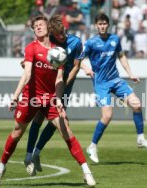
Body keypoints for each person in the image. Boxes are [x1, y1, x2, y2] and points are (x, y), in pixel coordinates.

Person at [0, 15, 96, 187]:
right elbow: (27, 74)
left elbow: (59, 79)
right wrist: (15, 96)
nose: (38, 27)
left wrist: (59, 99)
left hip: (49, 99)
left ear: (48, 27)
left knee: (66, 130)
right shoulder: (31, 48)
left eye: (41, 24)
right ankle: (1, 169)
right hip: (30, 98)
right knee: (17, 133)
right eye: (35, 26)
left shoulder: (58, 52)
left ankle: (86, 171)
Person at [79, 13, 147, 164]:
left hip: (116, 79)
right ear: (96, 25)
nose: (102, 26)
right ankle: (92, 146)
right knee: (108, 116)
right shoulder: (91, 43)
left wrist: (130, 74)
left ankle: (140, 138)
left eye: (104, 24)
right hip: (101, 83)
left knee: (137, 104)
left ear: (108, 25)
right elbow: (78, 59)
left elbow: (121, 56)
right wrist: (86, 69)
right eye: (99, 24)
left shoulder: (115, 39)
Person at [24, 15, 94, 176]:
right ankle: (31, 154)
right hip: (48, 84)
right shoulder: (51, 43)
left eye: (63, 33)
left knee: (59, 121)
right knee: (39, 119)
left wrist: (64, 85)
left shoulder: (75, 42)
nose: (61, 36)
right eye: (58, 35)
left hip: (65, 84)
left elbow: (76, 66)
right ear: (53, 34)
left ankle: (35, 152)